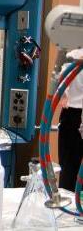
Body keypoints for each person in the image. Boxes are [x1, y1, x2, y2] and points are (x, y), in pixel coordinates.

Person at [58, 48, 83, 191]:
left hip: (72, 113)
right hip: (72, 114)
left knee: (69, 169)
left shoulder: (71, 55)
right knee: (68, 169)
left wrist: (64, 95)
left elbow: (61, 82)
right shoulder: (72, 55)